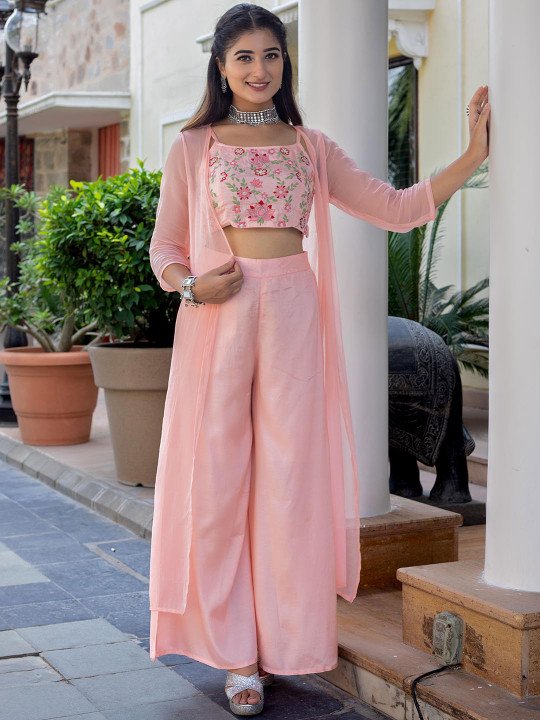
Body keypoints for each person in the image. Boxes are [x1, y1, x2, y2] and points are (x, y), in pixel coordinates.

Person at [147, 3, 490, 716]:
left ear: (285, 63)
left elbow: (396, 208)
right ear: (220, 67)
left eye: (271, 54)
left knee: (288, 484)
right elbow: (166, 249)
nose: (259, 69)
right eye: (244, 57)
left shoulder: (310, 146)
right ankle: (236, 653)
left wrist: (471, 157)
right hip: (220, 317)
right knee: (219, 483)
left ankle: (285, 642)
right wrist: (193, 287)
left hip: (293, 313)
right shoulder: (193, 147)